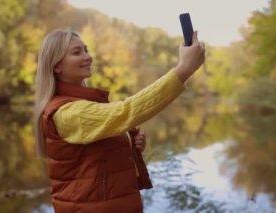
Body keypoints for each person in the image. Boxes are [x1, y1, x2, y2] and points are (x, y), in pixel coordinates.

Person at [33, 28, 205, 213]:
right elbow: (126, 112)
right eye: (77, 52)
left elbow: (96, 156)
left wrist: (130, 143)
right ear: (56, 66)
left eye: (86, 50)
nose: (87, 56)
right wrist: (184, 69)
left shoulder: (81, 104)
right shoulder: (68, 112)